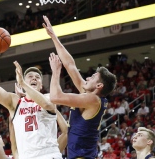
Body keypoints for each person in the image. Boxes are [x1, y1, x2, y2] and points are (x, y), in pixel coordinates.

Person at [43, 15, 117, 158]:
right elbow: (70, 65)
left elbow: (55, 97)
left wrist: (56, 72)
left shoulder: (93, 100)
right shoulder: (91, 96)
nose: (88, 77)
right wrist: (53, 37)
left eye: (93, 77)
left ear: (99, 85)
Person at [0, 42, 62, 159]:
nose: (34, 78)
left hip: (49, 155)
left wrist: (24, 84)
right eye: (30, 76)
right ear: (23, 80)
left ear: (41, 85)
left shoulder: (49, 97)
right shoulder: (15, 102)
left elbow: (46, 104)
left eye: (37, 77)